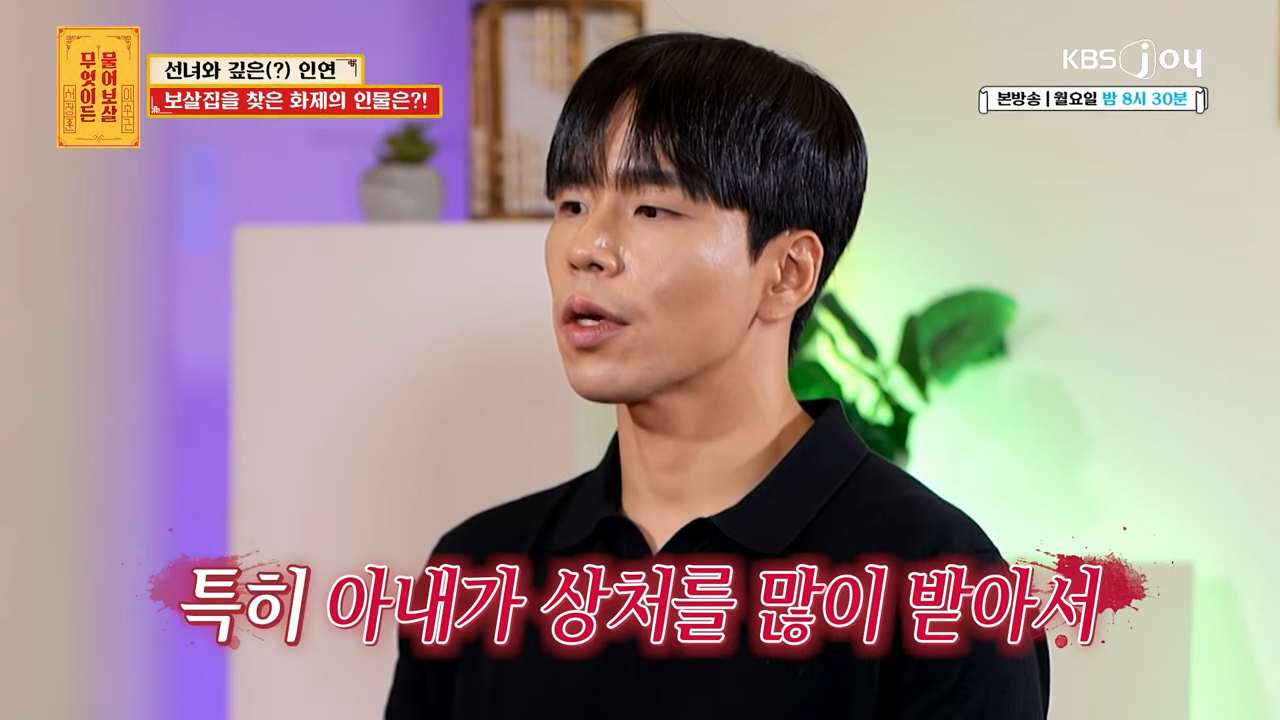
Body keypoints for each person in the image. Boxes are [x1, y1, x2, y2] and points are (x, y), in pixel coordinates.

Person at [386, 31, 1050, 719]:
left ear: (787, 273)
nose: (587, 248)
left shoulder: (941, 584)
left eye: (651, 209)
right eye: (572, 205)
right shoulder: (478, 571)